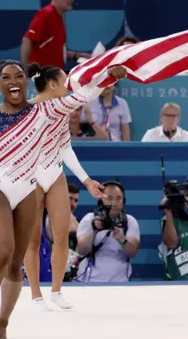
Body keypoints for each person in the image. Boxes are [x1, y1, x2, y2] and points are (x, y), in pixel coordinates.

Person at [0, 59, 121, 339]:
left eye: (18, 76)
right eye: (6, 77)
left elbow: (83, 95)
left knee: (16, 261)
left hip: (28, 192)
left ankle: (3, 323)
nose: (13, 81)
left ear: (26, 81)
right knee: (5, 250)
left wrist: (107, 76)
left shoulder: (42, 111)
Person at [23, 63, 121, 311]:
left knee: (62, 236)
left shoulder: (61, 111)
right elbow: (87, 94)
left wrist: (86, 180)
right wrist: (107, 75)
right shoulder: (33, 109)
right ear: (53, 84)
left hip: (55, 176)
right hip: (31, 179)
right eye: (65, 82)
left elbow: (65, 148)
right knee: (32, 240)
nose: (68, 86)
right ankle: (35, 295)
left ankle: (56, 291)